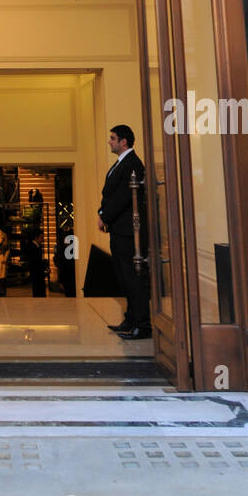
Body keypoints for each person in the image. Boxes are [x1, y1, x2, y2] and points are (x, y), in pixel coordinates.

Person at [98, 123, 151, 339]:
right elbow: (110, 194)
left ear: (123, 141)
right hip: (119, 229)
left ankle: (142, 324)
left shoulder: (133, 163)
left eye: (112, 138)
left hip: (129, 232)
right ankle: (130, 319)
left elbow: (123, 197)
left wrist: (104, 216)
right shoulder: (120, 163)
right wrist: (102, 212)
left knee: (133, 278)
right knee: (124, 277)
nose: (109, 141)